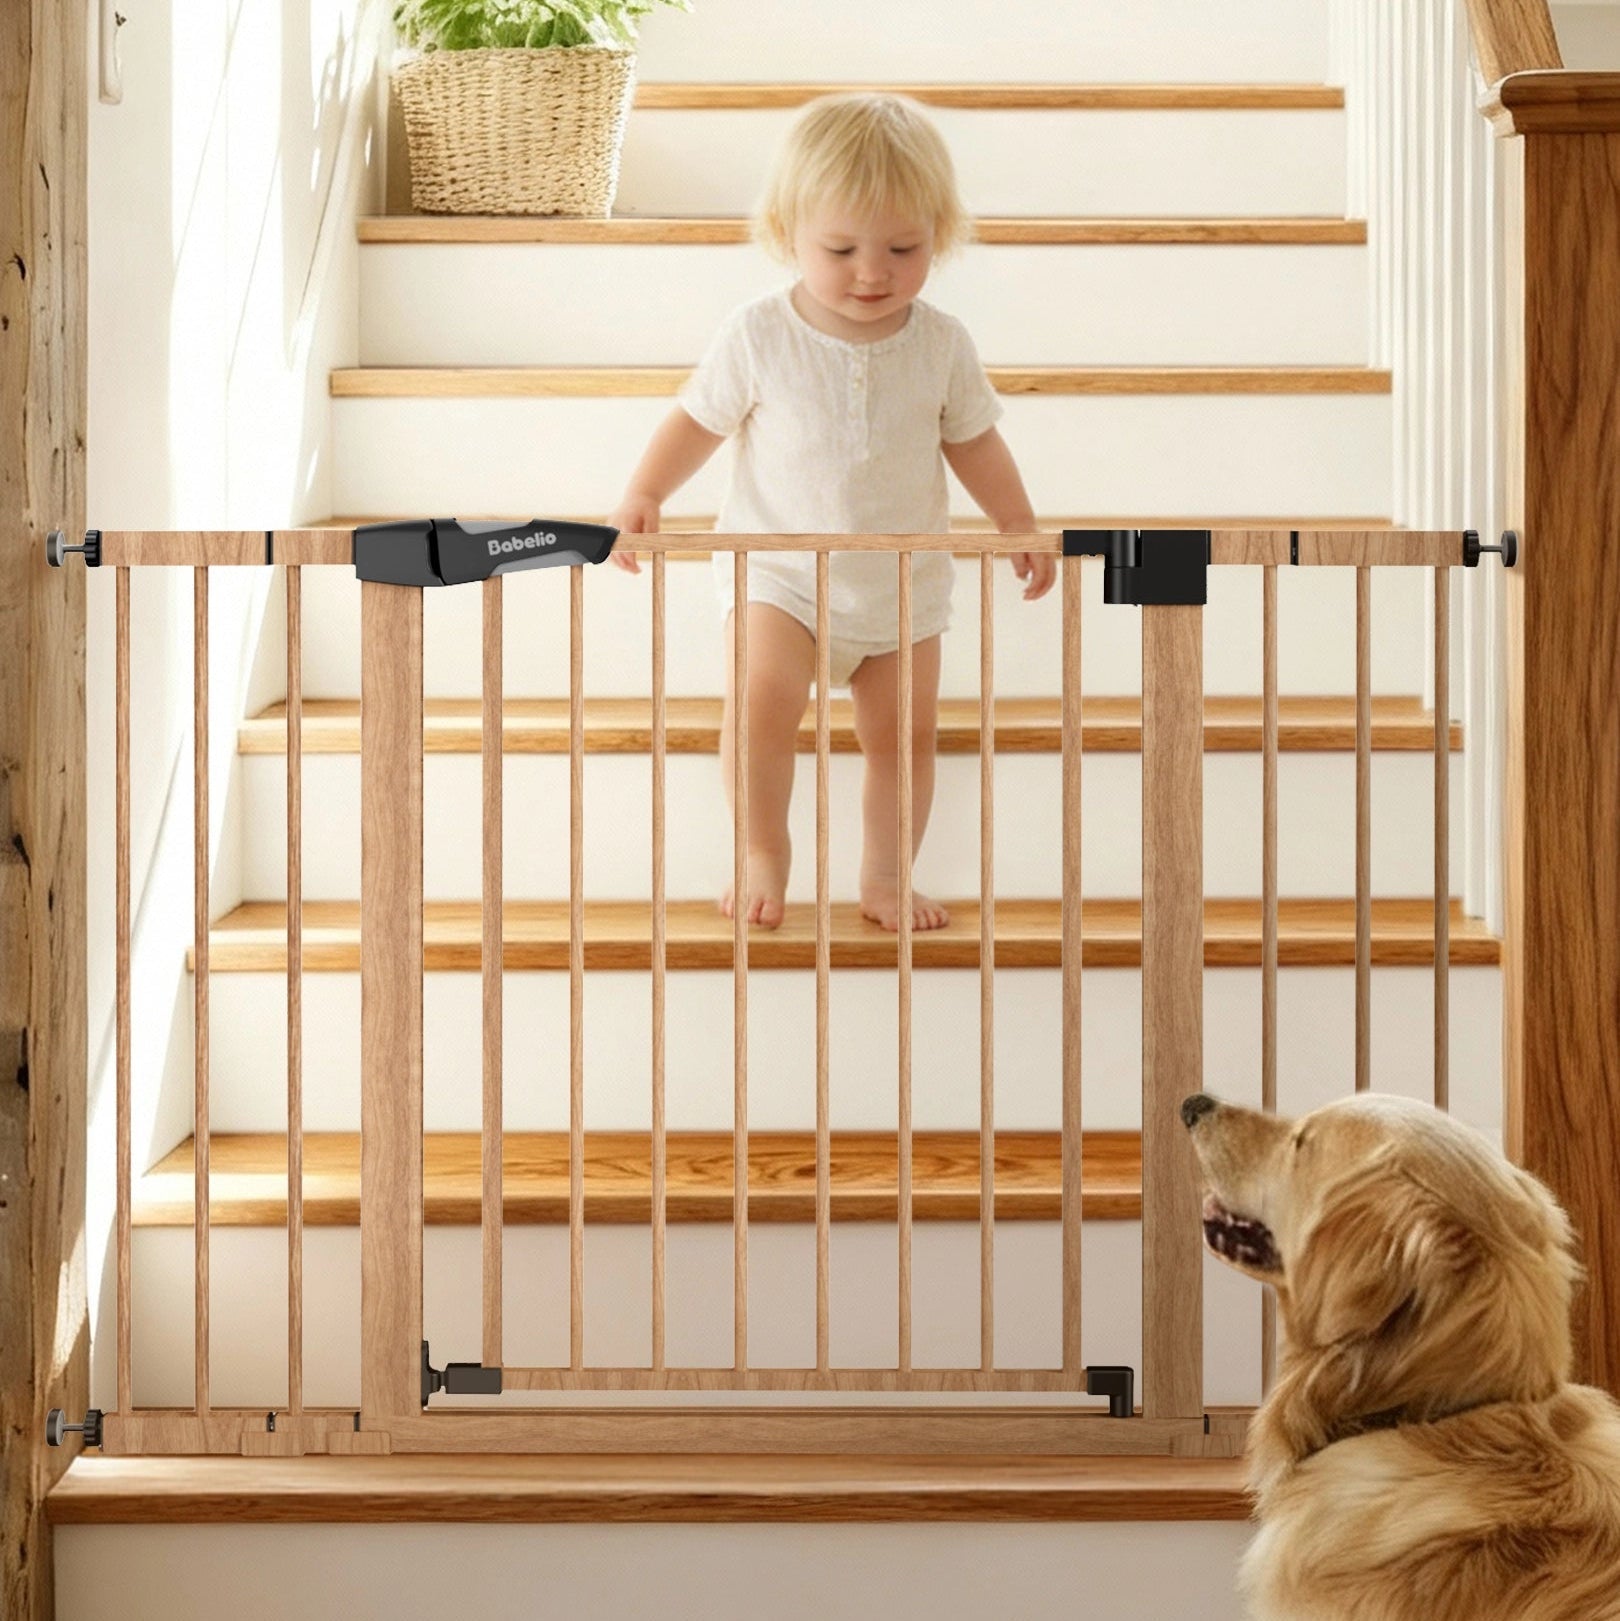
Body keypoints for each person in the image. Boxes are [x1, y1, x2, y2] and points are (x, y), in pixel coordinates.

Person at [606, 92, 1051, 932]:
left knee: (906, 739)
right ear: (787, 232)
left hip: (903, 585)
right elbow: (697, 421)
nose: (873, 272)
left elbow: (976, 444)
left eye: (904, 248)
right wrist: (646, 494)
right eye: (841, 248)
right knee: (763, 704)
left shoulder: (942, 345)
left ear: (941, 236)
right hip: (780, 573)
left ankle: (887, 876)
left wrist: (1018, 524)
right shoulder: (759, 335)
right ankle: (762, 850)